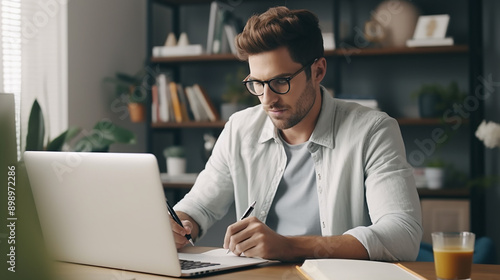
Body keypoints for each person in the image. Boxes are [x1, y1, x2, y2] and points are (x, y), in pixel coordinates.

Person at [170, 6, 422, 262]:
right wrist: (181, 225)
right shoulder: (240, 128)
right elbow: (199, 207)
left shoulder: (373, 131)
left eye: (281, 81)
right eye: (256, 83)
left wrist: (288, 246)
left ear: (318, 71)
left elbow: (403, 235)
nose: (267, 99)